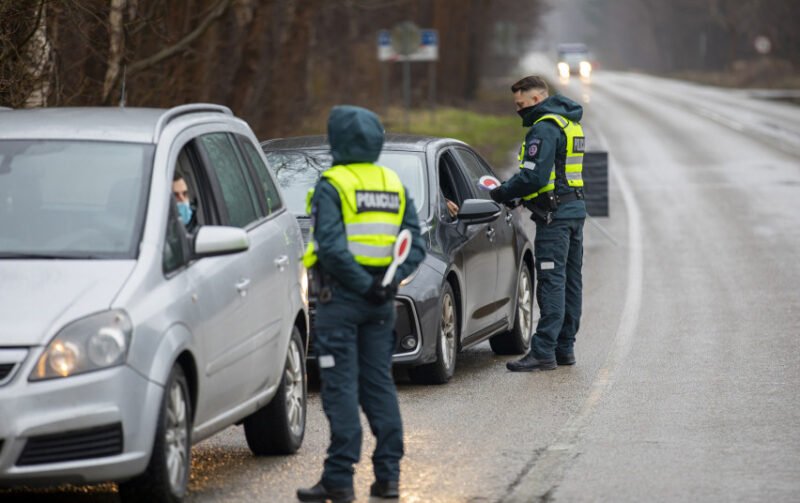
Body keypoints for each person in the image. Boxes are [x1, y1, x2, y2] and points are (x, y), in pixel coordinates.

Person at [297, 105, 425, 503]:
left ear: (336, 141)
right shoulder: (393, 183)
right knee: (379, 387)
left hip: (341, 300)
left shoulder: (332, 184)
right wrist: (387, 283)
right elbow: (416, 245)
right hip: (381, 303)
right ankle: (388, 479)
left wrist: (362, 285)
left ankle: (339, 478)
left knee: (339, 388)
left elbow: (332, 249)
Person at [489, 75, 586, 372]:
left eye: (521, 103)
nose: (518, 110)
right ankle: (564, 348)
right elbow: (555, 176)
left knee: (551, 283)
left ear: (536, 99)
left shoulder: (544, 129)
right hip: (573, 212)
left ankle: (543, 350)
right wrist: (522, 198)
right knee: (570, 282)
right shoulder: (569, 124)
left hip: (554, 219)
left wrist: (501, 193)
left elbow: (534, 177)